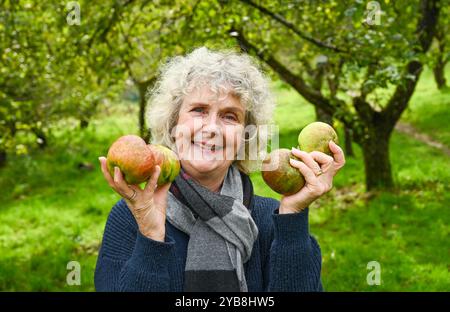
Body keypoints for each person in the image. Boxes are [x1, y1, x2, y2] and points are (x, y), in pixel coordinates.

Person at [95, 47, 345, 292]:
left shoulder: (271, 220)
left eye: (229, 116)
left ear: (245, 137)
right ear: (173, 124)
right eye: (199, 110)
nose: (212, 128)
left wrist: (293, 216)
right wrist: (150, 235)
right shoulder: (131, 216)